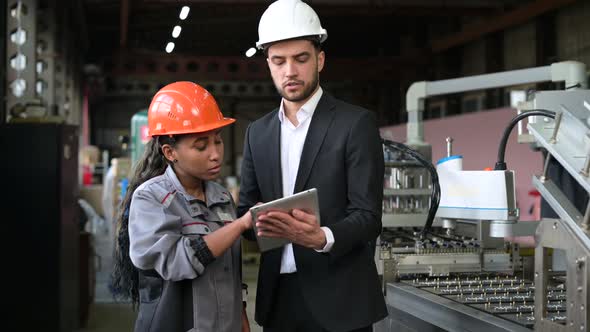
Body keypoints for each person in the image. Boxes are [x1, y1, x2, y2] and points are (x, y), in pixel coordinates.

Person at [237, 1, 387, 331]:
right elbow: (244, 214)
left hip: (341, 302)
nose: (289, 70)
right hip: (278, 301)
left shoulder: (355, 124)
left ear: (320, 59)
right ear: (268, 64)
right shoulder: (257, 134)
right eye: (279, 61)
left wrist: (321, 237)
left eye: (300, 59)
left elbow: (368, 216)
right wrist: (256, 221)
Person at [111, 81, 252, 332]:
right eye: (201, 145)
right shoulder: (150, 199)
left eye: (217, 141)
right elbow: (177, 261)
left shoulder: (221, 197)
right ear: (170, 152)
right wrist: (240, 225)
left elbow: (230, 268)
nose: (215, 153)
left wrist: (239, 311)